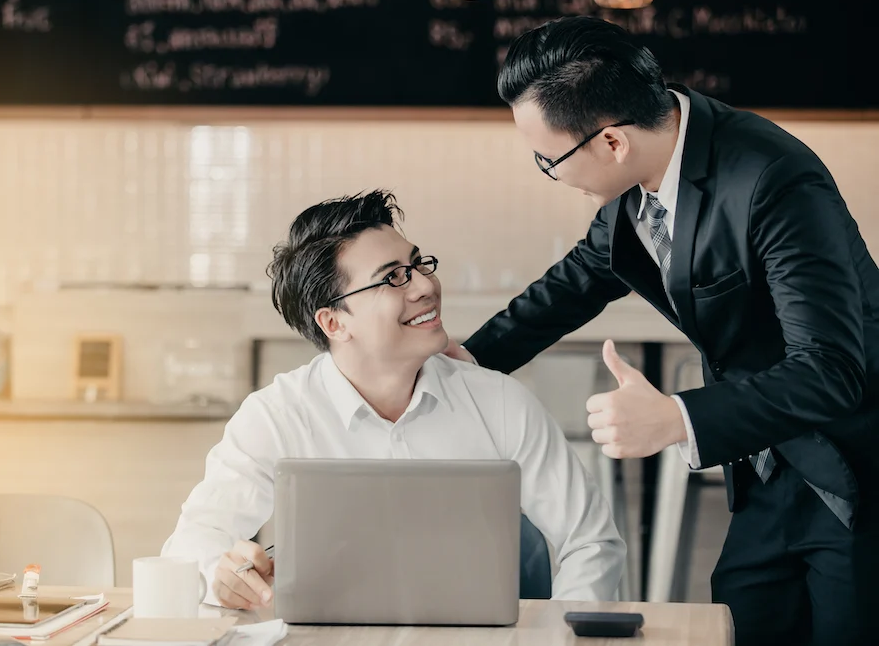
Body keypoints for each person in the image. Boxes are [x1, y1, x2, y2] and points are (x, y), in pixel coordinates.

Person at [444, 15, 879, 646]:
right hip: (770, 460)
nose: (550, 172)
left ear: (612, 141)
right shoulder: (643, 172)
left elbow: (832, 369)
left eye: (549, 158)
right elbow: (579, 280)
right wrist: (464, 367)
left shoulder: (773, 180)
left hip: (855, 469)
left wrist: (677, 418)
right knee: (743, 619)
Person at [162, 190, 625, 609]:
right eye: (394, 278)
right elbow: (189, 546)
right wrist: (219, 574)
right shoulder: (276, 415)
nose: (424, 286)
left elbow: (590, 542)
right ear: (335, 323)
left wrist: (564, 630)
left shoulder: (501, 403)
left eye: (419, 264)